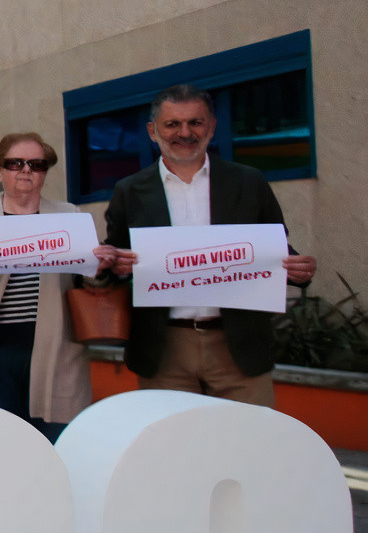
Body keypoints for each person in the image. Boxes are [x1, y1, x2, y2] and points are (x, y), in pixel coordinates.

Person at [94, 84, 316, 405]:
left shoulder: (249, 181)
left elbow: (277, 249)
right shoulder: (128, 191)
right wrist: (114, 264)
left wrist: (300, 270)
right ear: (153, 131)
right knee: (177, 447)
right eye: (172, 124)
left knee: (246, 446)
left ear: (211, 127)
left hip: (237, 343)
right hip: (163, 346)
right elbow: (114, 264)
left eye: (195, 122)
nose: (185, 133)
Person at [0, 133, 100, 440]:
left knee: (55, 445)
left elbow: (91, 283)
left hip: (56, 352)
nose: (26, 170)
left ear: (44, 172)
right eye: (15, 163)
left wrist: (99, 266)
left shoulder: (70, 216)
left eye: (36, 164)